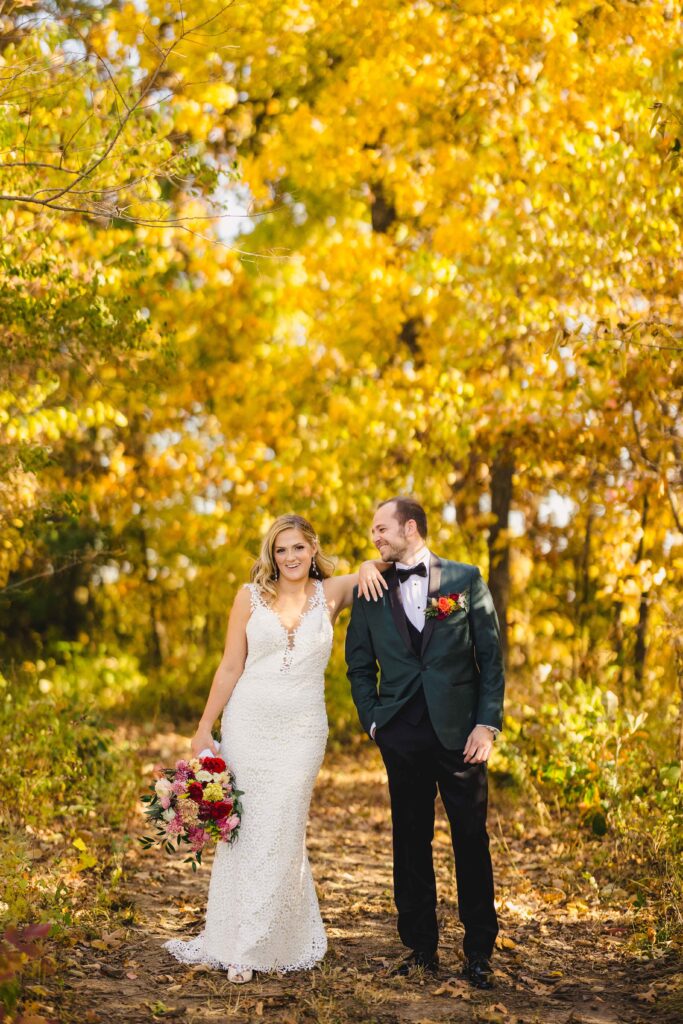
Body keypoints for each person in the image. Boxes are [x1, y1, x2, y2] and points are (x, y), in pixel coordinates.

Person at [163, 514, 386, 982]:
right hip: (248, 722)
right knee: (247, 830)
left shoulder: (332, 593)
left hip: (303, 729)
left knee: (284, 825)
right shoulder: (248, 598)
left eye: (299, 548)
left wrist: (367, 563)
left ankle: (264, 939)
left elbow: (382, 566)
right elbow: (229, 667)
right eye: (281, 549)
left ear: (312, 548)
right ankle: (237, 940)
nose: (290, 557)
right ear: (272, 554)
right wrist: (205, 727)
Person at [345, 497, 505, 989]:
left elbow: (491, 659)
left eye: (381, 529)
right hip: (401, 732)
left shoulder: (465, 579)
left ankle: (478, 951)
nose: (375, 539)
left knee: (470, 841)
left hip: (461, 734)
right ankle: (421, 948)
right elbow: (357, 664)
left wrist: (487, 724)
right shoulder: (370, 589)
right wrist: (374, 722)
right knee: (409, 840)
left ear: (409, 527)